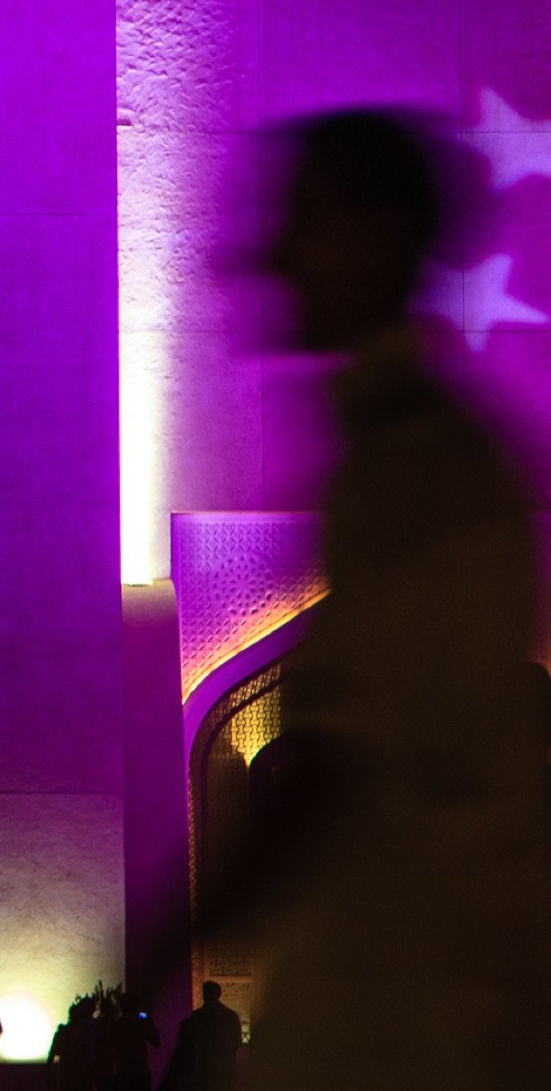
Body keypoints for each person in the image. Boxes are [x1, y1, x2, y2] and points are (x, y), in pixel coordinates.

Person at [237, 109, 551, 1089]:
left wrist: (170, 934)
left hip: (417, 1030)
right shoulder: (382, 454)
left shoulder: (424, 470)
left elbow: (350, 766)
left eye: (305, 219)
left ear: (377, 235)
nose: (273, 255)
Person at [164, 982, 240, 1091]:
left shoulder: (198, 1015)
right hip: (220, 1064)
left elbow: (192, 1040)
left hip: (207, 1064)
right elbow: (236, 1040)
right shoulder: (229, 1015)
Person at [104, 990, 157, 1091]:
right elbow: (156, 1042)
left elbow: (109, 1047)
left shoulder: (116, 1025)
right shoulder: (140, 1025)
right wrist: (150, 1023)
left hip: (122, 1072)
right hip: (140, 1072)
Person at [44, 996, 95, 1091]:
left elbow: (52, 1055)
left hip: (69, 1073)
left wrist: (49, 1075)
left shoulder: (63, 1032)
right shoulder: (85, 1032)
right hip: (79, 1075)